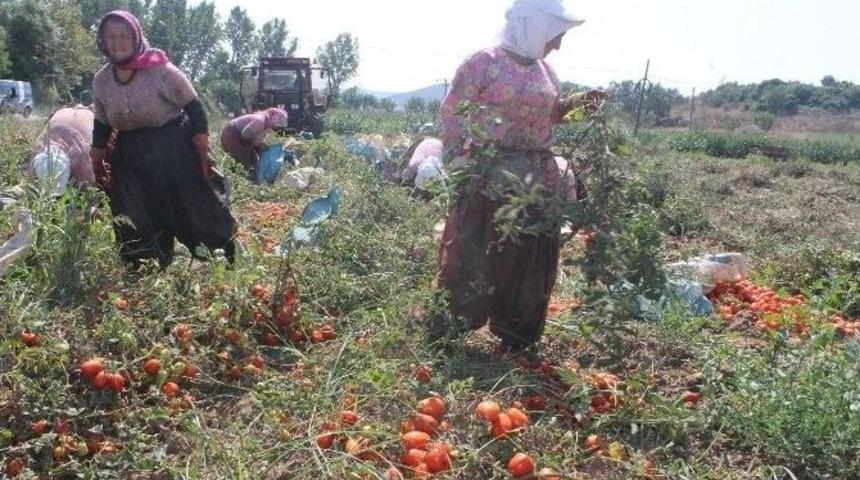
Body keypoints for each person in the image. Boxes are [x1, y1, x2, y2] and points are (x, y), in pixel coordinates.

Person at [436, 0, 605, 353]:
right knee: (478, 253)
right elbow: (452, 115)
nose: (558, 44)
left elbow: (550, 116)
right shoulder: (482, 63)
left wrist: (577, 104)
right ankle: (451, 329)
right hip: (489, 181)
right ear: (534, 27)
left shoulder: (546, 72)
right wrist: (459, 166)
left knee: (528, 261)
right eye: (555, 35)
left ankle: (515, 336)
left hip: (537, 183)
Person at [90, 10, 236, 269]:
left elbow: (194, 108)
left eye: (124, 36)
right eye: (110, 36)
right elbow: (102, 123)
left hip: (174, 147)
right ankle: (145, 269)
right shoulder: (101, 81)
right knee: (136, 214)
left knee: (195, 208)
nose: (117, 42)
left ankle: (221, 262)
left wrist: (204, 151)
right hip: (130, 154)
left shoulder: (160, 70)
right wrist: (97, 158)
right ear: (102, 40)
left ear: (136, 38)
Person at [30, 106, 97, 191]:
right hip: (63, 113)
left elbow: (89, 187)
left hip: (83, 116)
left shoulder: (81, 155)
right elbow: (30, 179)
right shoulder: (38, 149)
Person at [220, 108, 289, 176]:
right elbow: (245, 135)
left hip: (238, 136)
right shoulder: (260, 121)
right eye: (277, 126)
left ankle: (246, 174)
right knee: (246, 162)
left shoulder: (265, 124)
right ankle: (239, 175)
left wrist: (258, 146)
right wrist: (257, 146)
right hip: (232, 134)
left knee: (253, 161)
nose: (276, 129)